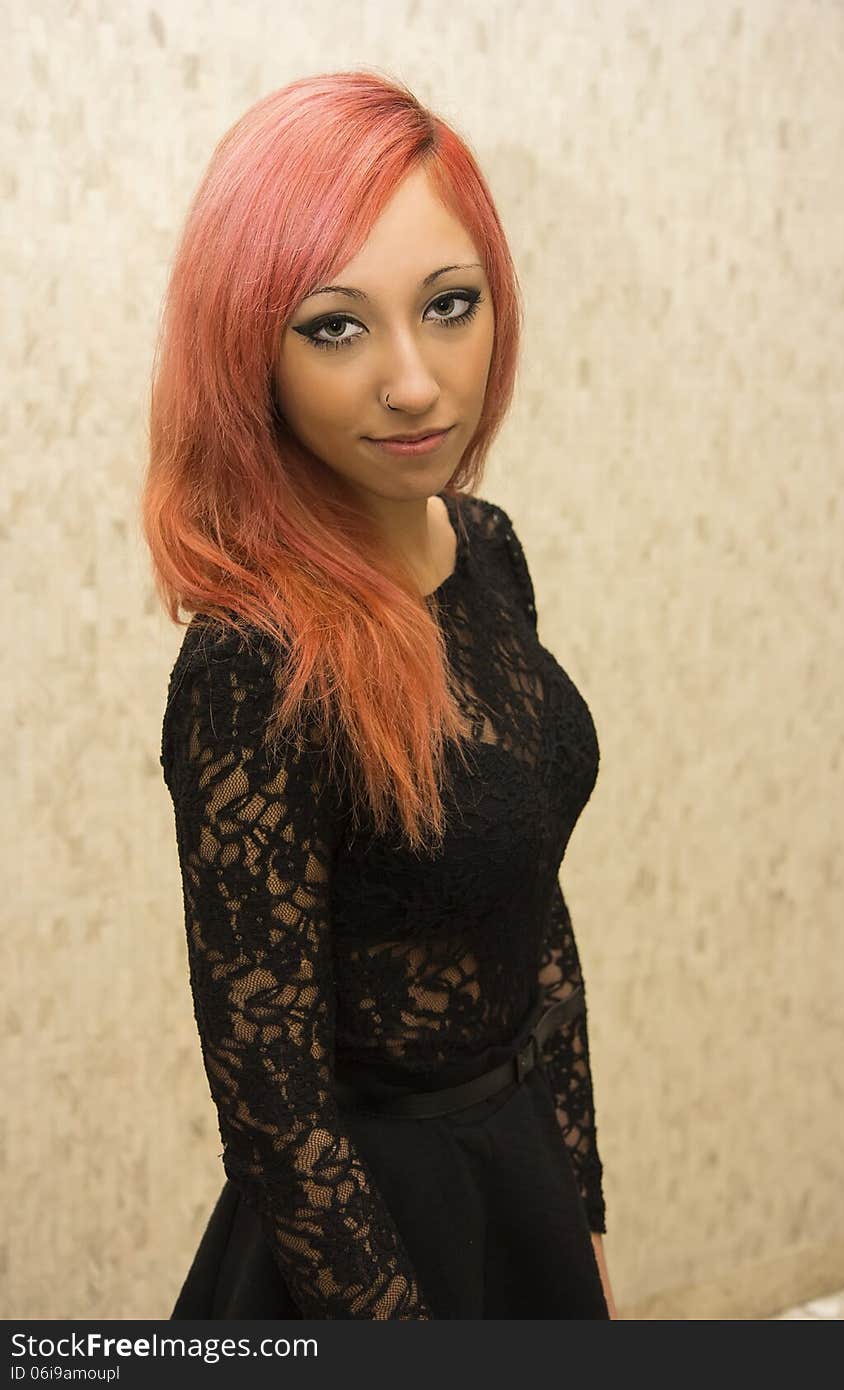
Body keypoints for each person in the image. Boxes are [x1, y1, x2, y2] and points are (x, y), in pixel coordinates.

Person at [143, 68, 617, 1321]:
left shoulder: (489, 549)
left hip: (517, 1173)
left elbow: (532, 913)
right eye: (336, 325)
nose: (413, 381)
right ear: (252, 350)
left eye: (449, 306)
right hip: (365, 1239)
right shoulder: (256, 662)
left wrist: (581, 1205)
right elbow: (276, 1113)